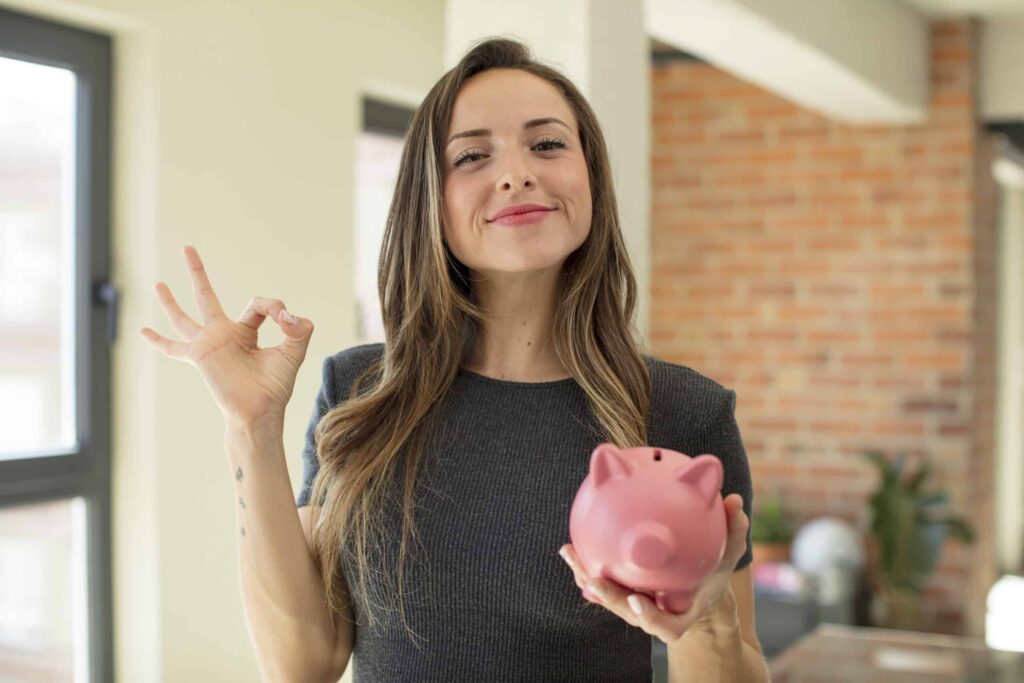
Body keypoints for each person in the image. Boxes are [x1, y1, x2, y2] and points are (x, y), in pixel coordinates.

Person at [140, 36, 770, 683]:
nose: (516, 172)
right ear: (429, 201)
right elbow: (302, 662)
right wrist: (251, 427)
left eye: (548, 144)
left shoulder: (683, 412)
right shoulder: (358, 389)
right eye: (472, 155)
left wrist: (709, 615)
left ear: (591, 176)